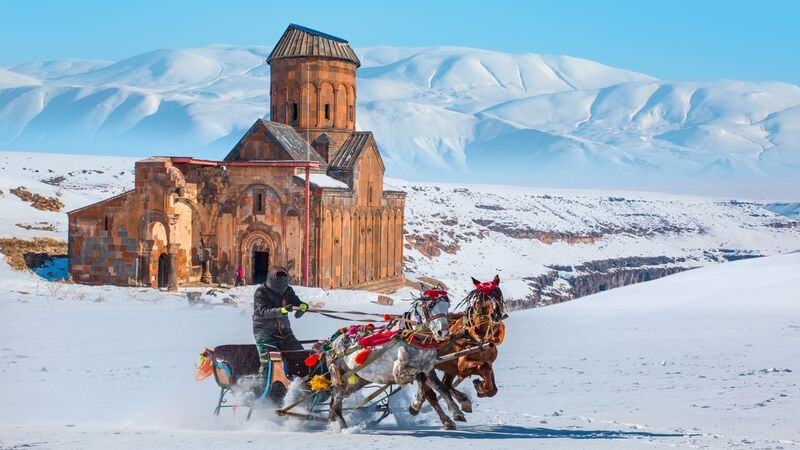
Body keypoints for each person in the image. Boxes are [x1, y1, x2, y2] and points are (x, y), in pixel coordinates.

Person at [252, 266, 308, 383]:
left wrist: (303, 306)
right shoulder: (261, 292)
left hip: (284, 330)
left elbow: (296, 302)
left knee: (301, 355)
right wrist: (282, 310)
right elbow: (264, 312)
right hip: (264, 331)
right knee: (268, 361)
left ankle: (300, 384)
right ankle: (260, 390)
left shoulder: (288, 290)